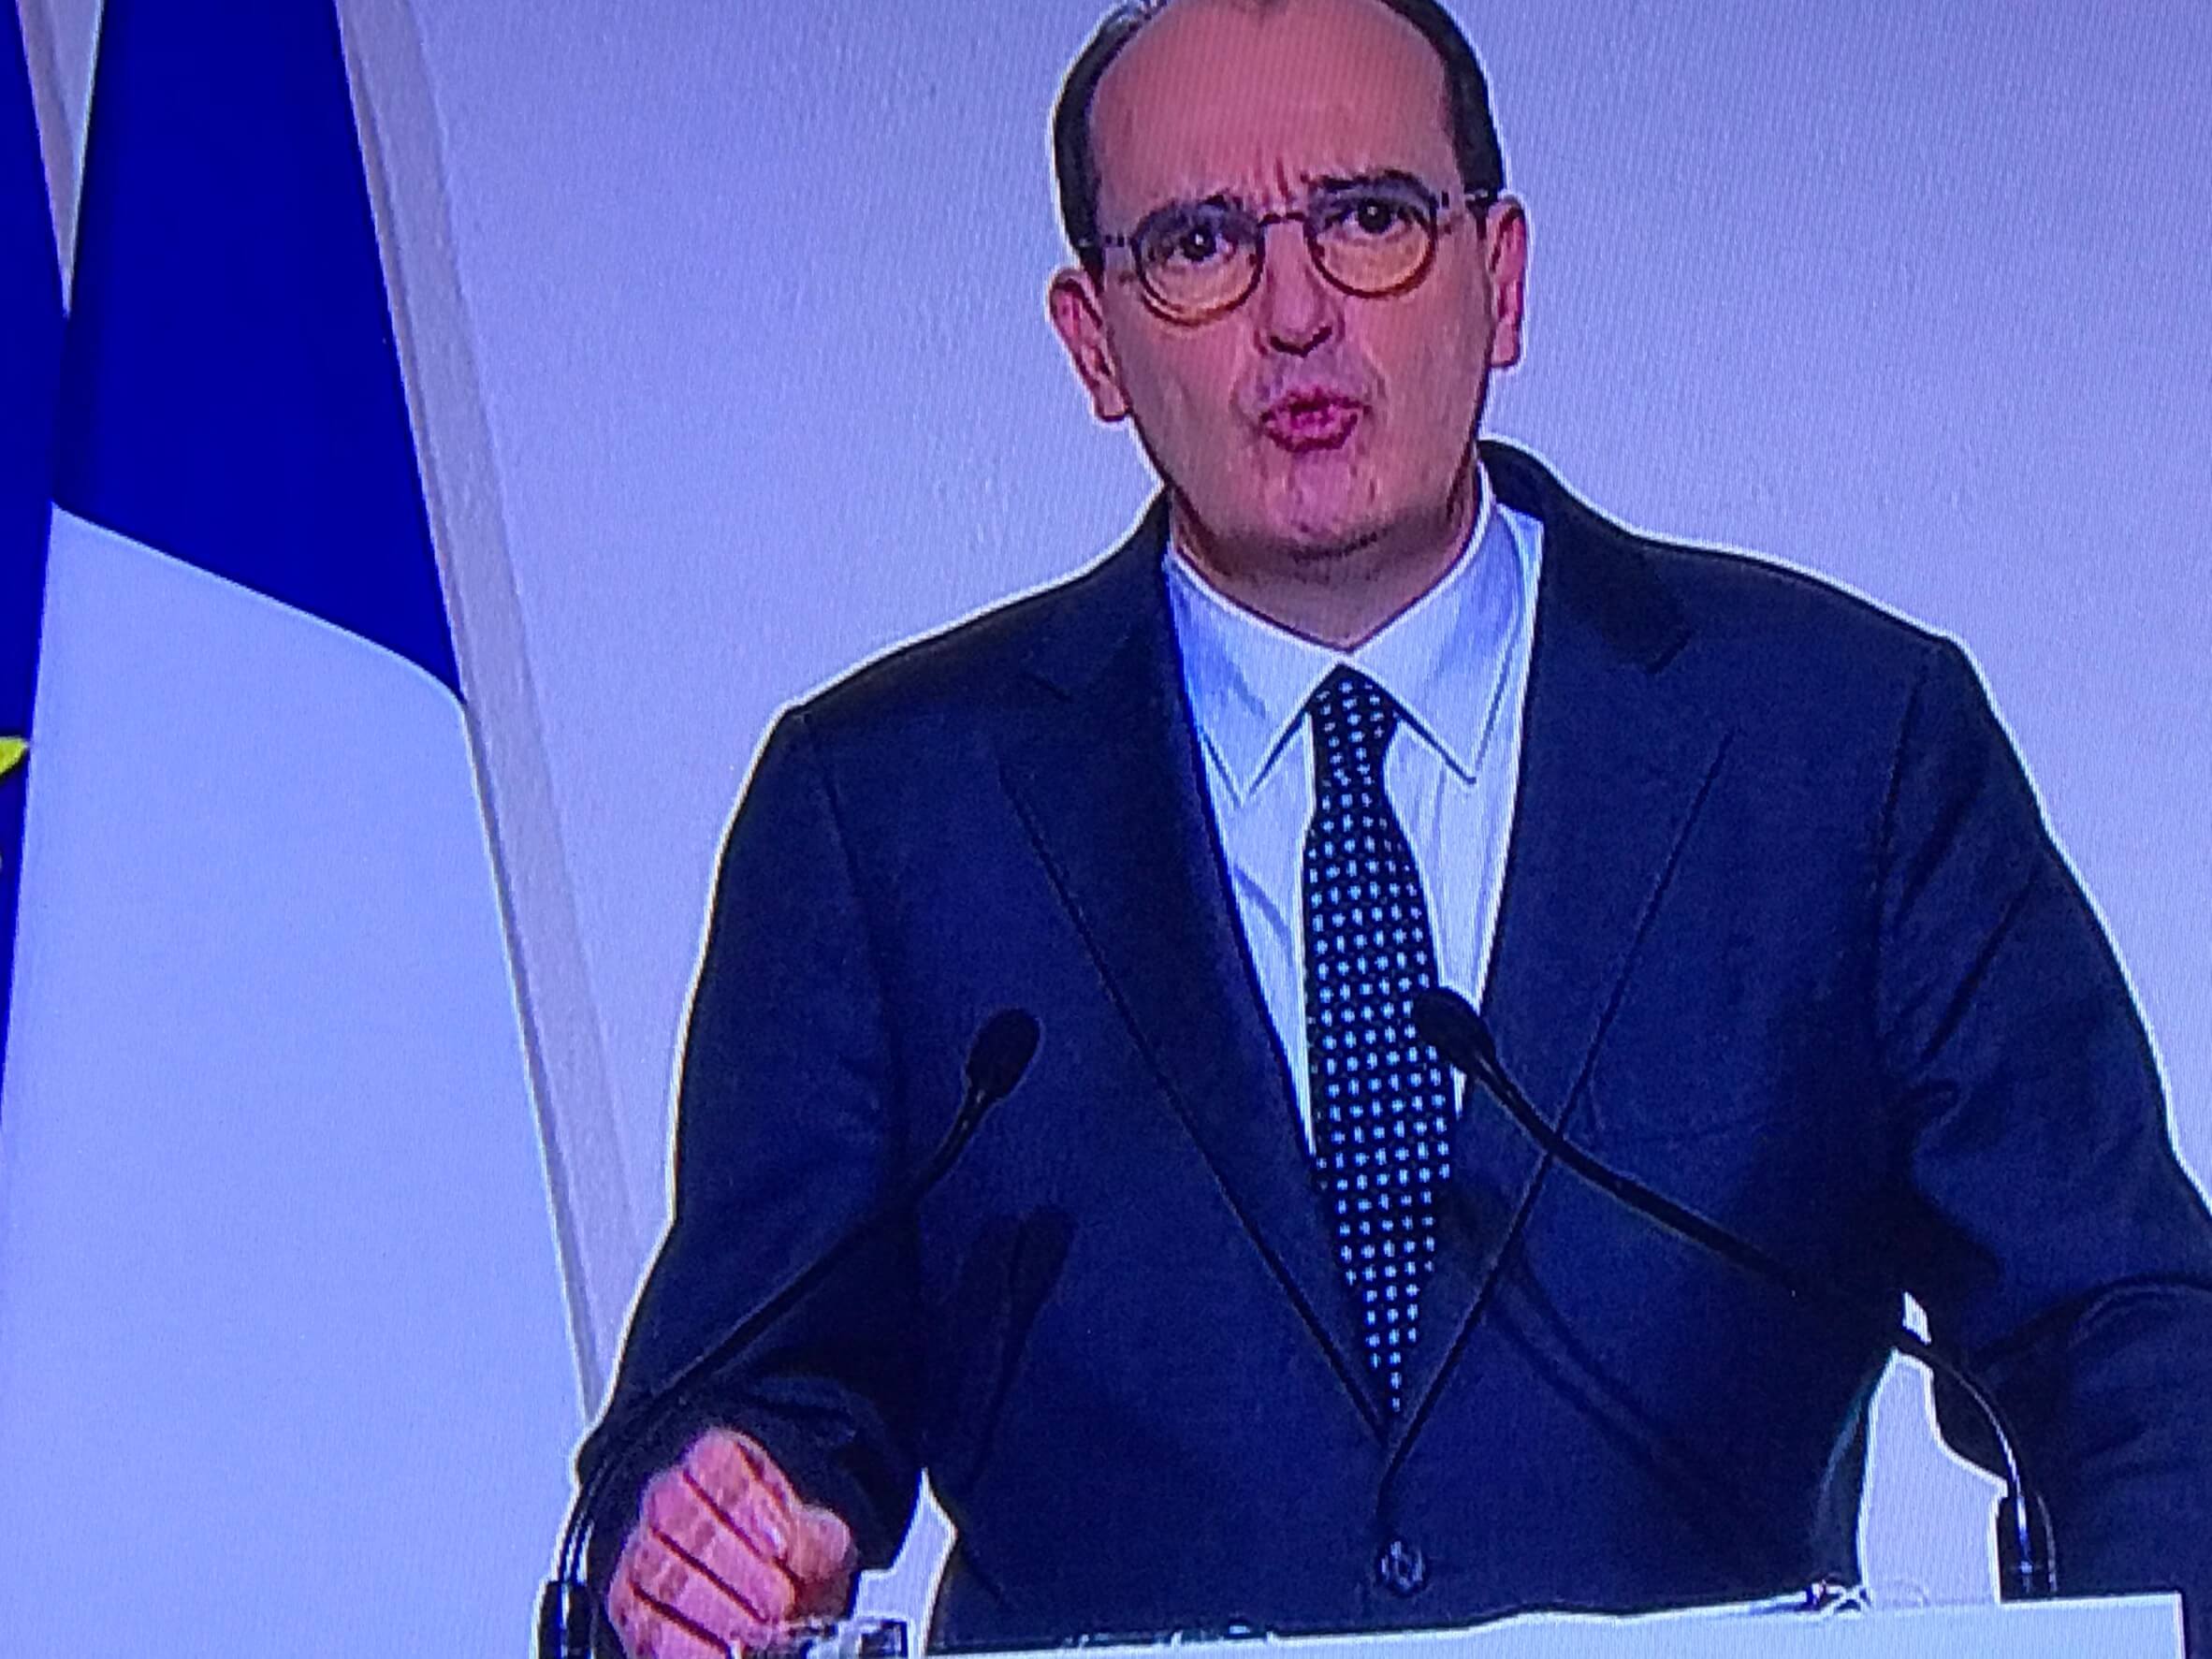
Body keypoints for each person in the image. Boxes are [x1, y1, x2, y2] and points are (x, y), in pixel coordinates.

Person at [577, 1, 2212, 1654]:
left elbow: (2125, 1335)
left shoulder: (1844, 743)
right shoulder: (883, 809)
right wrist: (707, 1536)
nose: (1295, 314)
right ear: (1093, 342)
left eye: (1369, 218)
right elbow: (737, 1403)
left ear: (1501, 276)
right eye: (1199, 244)